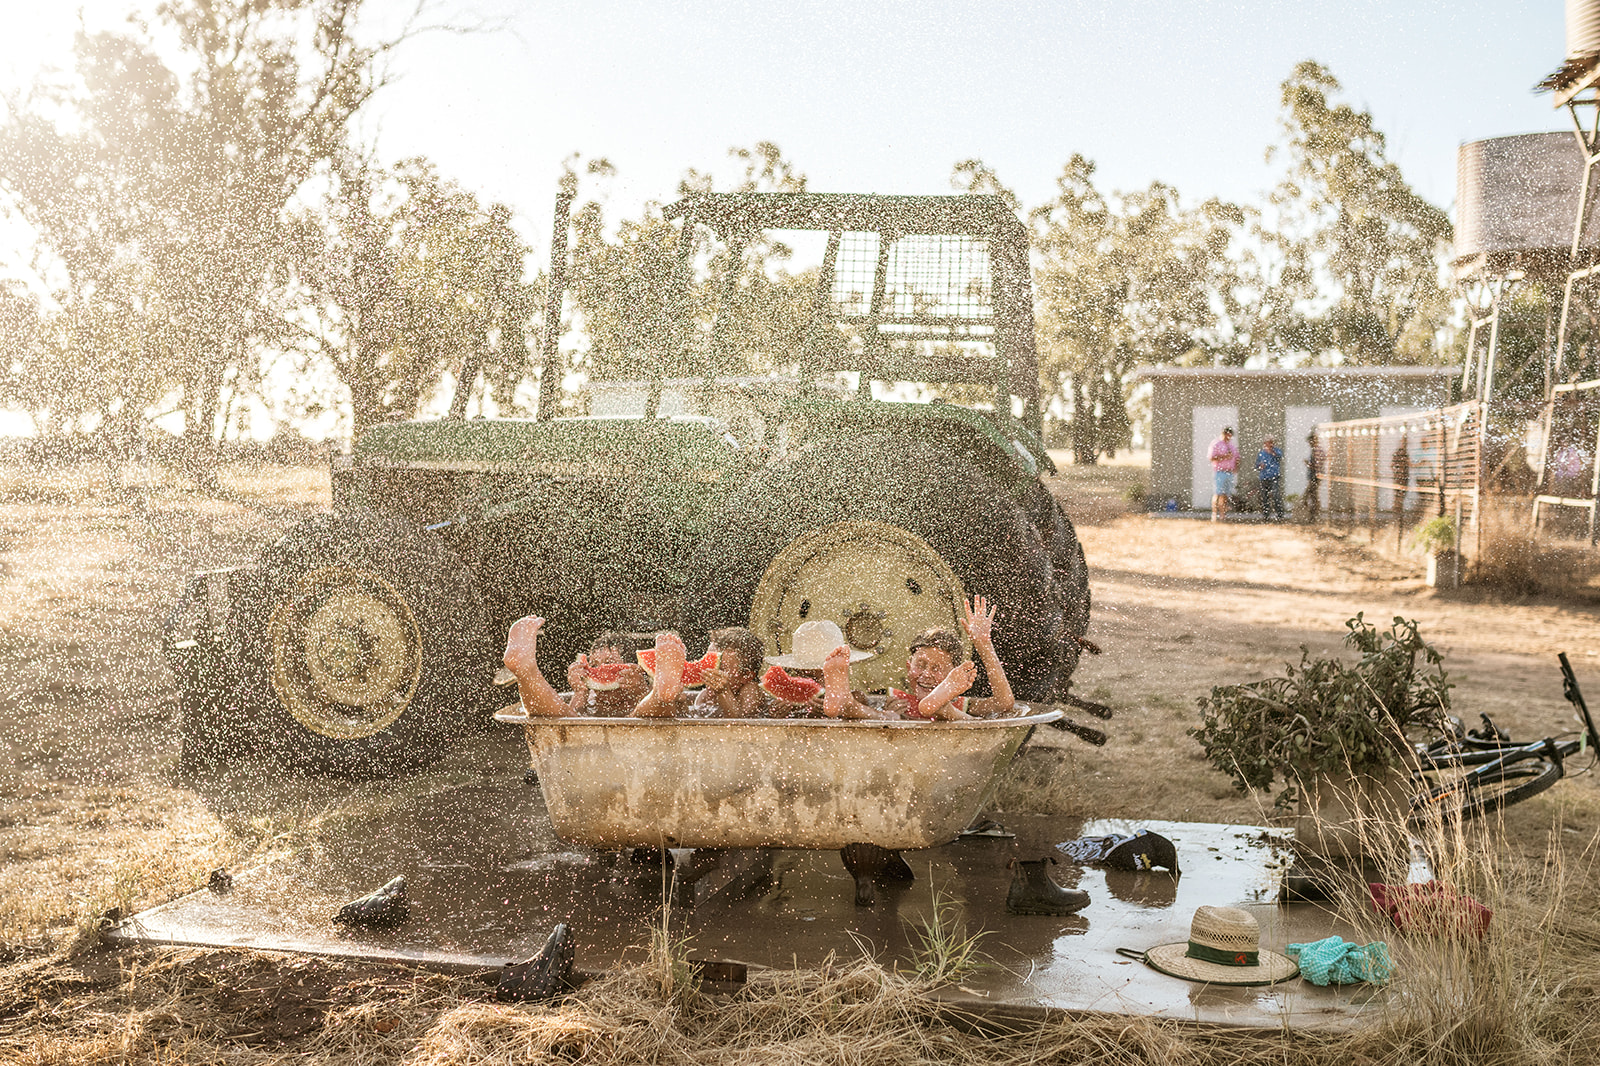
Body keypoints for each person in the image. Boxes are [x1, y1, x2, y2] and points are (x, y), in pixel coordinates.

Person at [881, 594, 1016, 720]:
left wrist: (984, 645)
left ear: (953, 674)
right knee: (969, 720)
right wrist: (886, 715)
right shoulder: (896, 703)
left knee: (959, 714)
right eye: (920, 665)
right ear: (908, 667)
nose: (926, 674)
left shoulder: (966, 705)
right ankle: (942, 709)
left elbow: (1003, 704)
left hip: (953, 721)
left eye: (936, 668)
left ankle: (943, 708)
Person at [503, 618, 649, 718]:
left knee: (643, 713)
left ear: (636, 669)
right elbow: (571, 723)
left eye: (610, 663)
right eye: (593, 665)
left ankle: (528, 673)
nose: (601, 669)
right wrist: (580, 692)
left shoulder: (642, 695)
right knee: (564, 716)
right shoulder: (589, 699)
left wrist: (641, 692)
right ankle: (525, 673)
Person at [687, 626, 767, 719]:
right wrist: (681, 704)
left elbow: (742, 724)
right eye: (710, 667)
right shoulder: (705, 696)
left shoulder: (751, 691)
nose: (712, 673)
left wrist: (724, 692)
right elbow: (691, 721)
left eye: (721, 669)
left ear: (746, 676)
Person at [1208, 426, 1239, 522]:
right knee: (1218, 493)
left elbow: (1237, 457)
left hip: (1229, 472)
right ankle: (1214, 514)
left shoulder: (1232, 446)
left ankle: (1223, 515)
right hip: (1220, 472)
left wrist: (1236, 467)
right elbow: (1211, 457)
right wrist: (1224, 457)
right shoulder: (1216, 444)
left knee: (1225, 495)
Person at [1255, 435, 1284, 522]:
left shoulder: (1277, 451)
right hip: (1264, 477)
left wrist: (1272, 452)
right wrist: (1260, 466)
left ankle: (1280, 515)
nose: (1270, 444)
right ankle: (1266, 516)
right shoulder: (1261, 453)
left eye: (1271, 442)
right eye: (1268, 442)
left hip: (1274, 476)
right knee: (1264, 497)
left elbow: (1279, 457)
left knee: (1276, 495)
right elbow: (1256, 465)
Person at [1304, 431, 1325, 521]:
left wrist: (1308, 464)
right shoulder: (1315, 450)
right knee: (1313, 496)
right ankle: (1313, 515)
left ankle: (1314, 514)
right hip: (1314, 476)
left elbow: (1317, 465)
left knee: (1311, 495)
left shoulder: (1317, 450)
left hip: (1315, 476)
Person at [1391, 434, 1411, 519]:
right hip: (1399, 478)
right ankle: (1397, 513)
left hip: (1403, 478)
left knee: (1400, 496)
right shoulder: (1399, 453)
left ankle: (1398, 513)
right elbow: (1392, 465)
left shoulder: (1405, 454)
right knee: (1398, 496)